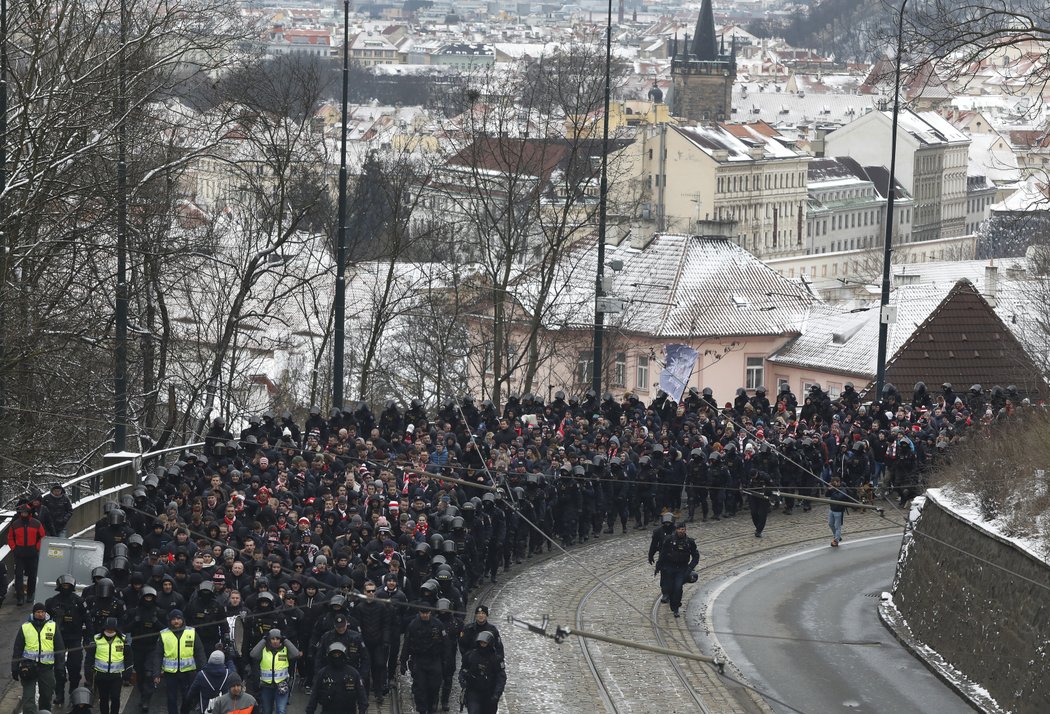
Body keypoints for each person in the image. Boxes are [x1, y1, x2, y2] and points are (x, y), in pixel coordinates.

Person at [11, 602, 65, 714]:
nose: (40, 614)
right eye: (38, 612)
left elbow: (60, 649)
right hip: (28, 667)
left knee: (46, 695)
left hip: (46, 668)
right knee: (28, 697)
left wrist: (60, 667)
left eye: (42, 612)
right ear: (34, 613)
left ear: (45, 613)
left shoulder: (53, 626)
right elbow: (17, 649)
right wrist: (14, 667)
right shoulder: (25, 627)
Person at [150, 609, 205, 714]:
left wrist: (202, 670)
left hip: (188, 672)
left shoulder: (192, 632)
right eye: (174, 619)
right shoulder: (164, 634)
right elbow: (158, 655)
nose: (176, 621)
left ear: (183, 619)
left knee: (187, 698)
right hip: (170, 673)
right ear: (170, 621)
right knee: (171, 698)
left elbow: (199, 652)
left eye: (179, 619)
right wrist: (156, 674)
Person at [45, 574, 88, 706]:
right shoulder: (51, 602)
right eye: (63, 586)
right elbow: (45, 622)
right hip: (59, 638)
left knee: (74, 667)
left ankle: (73, 693)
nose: (66, 588)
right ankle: (59, 694)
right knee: (59, 669)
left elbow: (88, 621)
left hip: (75, 638)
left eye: (68, 586)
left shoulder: (80, 602)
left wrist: (88, 638)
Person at [400, 608, 446, 714]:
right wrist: (403, 661)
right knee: (420, 687)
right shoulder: (413, 625)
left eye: (427, 613)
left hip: (434, 660)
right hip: (419, 660)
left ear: (430, 613)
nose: (425, 615)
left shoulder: (438, 624)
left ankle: (432, 707)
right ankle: (421, 709)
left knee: (434, 687)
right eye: (422, 613)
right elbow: (406, 644)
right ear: (419, 613)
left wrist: (446, 662)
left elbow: (445, 644)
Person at [85, 617, 134, 714]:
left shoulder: (123, 640)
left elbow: (129, 659)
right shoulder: (96, 639)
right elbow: (89, 658)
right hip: (101, 675)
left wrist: (127, 673)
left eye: (112, 630)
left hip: (116, 676)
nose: (110, 631)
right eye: (108, 629)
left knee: (115, 698)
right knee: (103, 699)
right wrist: (88, 673)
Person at [305, 643, 368, 714]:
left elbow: (362, 695)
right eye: (334, 654)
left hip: (348, 711)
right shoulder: (323, 673)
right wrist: (310, 710)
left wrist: (362, 710)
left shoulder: (353, 673)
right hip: (328, 711)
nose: (337, 657)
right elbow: (314, 694)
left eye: (339, 654)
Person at [250, 629, 300, 714]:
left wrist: (286, 640)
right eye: (273, 639)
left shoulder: (285, 650)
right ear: (269, 639)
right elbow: (253, 654)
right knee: (267, 711)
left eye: (278, 638)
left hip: (281, 686)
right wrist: (263, 640)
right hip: (266, 687)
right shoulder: (264, 650)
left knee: (281, 711)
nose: (275, 641)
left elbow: (296, 654)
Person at [655, 523, 700, 618]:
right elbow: (663, 553)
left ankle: (676, 608)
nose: (681, 531)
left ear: (685, 530)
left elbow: (695, 556)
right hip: (670, 567)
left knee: (678, 588)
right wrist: (659, 566)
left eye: (683, 529)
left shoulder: (689, 542)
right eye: (679, 529)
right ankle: (672, 602)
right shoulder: (669, 540)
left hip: (682, 568)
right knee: (669, 588)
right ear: (676, 530)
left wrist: (690, 568)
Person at [8, 502, 47, 606]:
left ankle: (30, 594)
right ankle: (20, 597)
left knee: (32, 576)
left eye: (25, 512)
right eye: (22, 513)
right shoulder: (15, 524)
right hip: (19, 554)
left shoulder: (36, 523)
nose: (24, 514)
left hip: (32, 553)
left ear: (29, 513)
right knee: (19, 576)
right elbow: (10, 538)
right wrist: (14, 548)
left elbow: (42, 537)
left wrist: (36, 548)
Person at [459, 631, 506, 714]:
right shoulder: (471, 655)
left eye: (485, 643)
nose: (483, 644)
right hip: (473, 691)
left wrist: (496, 694)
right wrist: (463, 680)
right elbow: (463, 669)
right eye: (481, 642)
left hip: (489, 693)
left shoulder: (496, 659)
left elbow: (501, 678)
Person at [826, 476, 850, 547]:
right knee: (830, 524)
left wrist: (833, 490)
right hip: (832, 509)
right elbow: (826, 495)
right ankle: (837, 536)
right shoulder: (833, 489)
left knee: (837, 526)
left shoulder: (843, 489)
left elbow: (839, 497)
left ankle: (836, 540)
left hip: (839, 511)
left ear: (838, 482)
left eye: (835, 483)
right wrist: (829, 489)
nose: (834, 484)